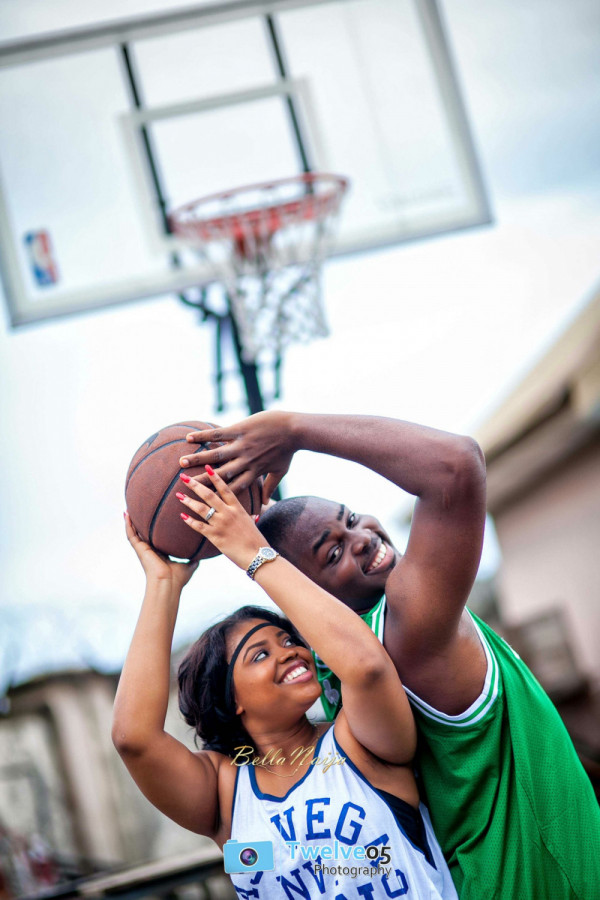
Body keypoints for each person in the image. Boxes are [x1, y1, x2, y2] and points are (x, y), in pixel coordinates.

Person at [181, 411, 600, 900]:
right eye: (333, 554)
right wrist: (295, 431)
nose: (364, 539)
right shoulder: (405, 633)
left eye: (351, 518)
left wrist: (261, 523)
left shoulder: (332, 665)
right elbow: (456, 466)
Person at [114, 466, 458, 900]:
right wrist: (163, 584)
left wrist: (253, 554)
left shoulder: (357, 742)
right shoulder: (226, 792)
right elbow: (134, 739)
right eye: (260, 654)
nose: (290, 651)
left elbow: (366, 667)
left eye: (289, 639)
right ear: (231, 698)